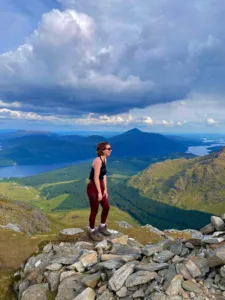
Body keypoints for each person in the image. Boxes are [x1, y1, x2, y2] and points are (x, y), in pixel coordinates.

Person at [87, 141, 112, 241]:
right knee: (95, 210)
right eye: (109, 149)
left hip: (100, 186)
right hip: (93, 187)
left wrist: (105, 189)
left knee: (106, 207)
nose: (111, 150)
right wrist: (99, 192)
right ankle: (92, 231)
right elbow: (96, 178)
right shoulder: (98, 161)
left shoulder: (104, 160)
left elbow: (104, 175)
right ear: (102, 151)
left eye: (110, 148)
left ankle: (102, 226)